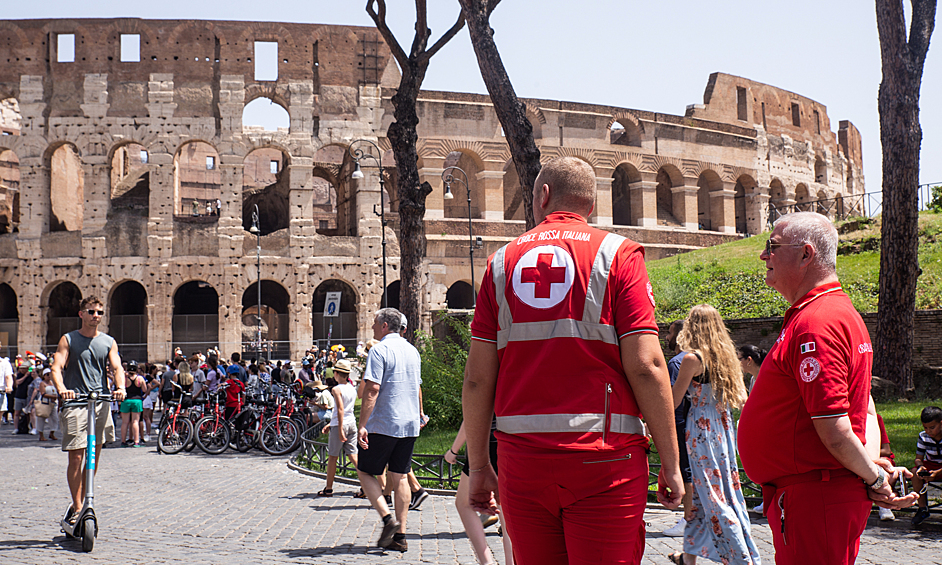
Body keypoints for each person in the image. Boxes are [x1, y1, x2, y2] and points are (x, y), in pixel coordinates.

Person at [462, 156, 683, 565]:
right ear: (592, 205)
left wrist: (479, 466)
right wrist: (671, 462)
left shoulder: (499, 264)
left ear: (542, 197)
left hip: (521, 461)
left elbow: (476, 379)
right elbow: (648, 366)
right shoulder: (618, 254)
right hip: (604, 460)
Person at [738, 212, 916, 565]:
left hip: (815, 496)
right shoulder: (831, 312)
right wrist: (871, 468)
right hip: (815, 492)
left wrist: (875, 477)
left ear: (806, 255)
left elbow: (835, 428)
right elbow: (863, 402)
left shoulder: (816, 322)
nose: (764, 255)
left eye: (772, 246)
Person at [668, 305, 761, 565]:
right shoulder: (728, 357)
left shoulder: (691, 359)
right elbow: (742, 399)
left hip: (700, 429)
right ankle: (688, 558)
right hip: (722, 427)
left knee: (713, 495)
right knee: (712, 493)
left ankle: (742, 559)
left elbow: (674, 401)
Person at [50, 296, 126, 524]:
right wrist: (62, 389)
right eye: (91, 311)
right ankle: (77, 506)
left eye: (99, 312)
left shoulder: (109, 342)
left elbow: (117, 366)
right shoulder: (68, 339)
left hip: (100, 403)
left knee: (93, 457)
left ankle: (83, 501)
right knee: (76, 457)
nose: (96, 316)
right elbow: (56, 367)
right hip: (75, 402)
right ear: (81, 314)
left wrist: (121, 387)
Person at [356, 307, 423, 553]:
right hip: (409, 423)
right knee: (400, 476)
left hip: (384, 422)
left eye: (375, 323)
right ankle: (401, 536)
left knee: (364, 472)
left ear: (385, 326)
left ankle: (387, 519)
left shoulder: (379, 350)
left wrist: (363, 424)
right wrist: (419, 414)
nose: (373, 326)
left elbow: (372, 389)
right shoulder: (413, 351)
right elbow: (417, 386)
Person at [444, 420, 514, 565]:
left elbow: (471, 417)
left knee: (464, 504)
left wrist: (453, 451)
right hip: (510, 440)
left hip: (485, 443)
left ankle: (486, 561)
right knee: (506, 513)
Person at [661, 319, 694, 538]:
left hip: (682, 424)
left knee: (687, 472)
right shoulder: (702, 359)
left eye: (670, 333)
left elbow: (672, 401)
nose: (666, 337)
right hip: (703, 425)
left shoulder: (677, 362)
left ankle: (688, 520)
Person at [318, 359, 359, 497]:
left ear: (336, 374)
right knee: (354, 456)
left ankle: (328, 488)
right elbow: (347, 410)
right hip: (352, 423)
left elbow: (340, 409)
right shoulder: (352, 389)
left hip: (340, 425)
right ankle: (367, 485)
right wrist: (331, 424)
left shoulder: (336, 389)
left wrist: (339, 427)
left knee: (333, 457)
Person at [911, 405, 942, 526]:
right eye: (926, 428)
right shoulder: (923, 437)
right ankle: (922, 508)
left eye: (932, 427)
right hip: (931, 465)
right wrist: (920, 467)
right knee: (914, 473)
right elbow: (919, 458)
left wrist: (938, 473)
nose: (929, 431)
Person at [120, 364, 146, 447]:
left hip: (126, 400)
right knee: (135, 422)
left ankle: (123, 441)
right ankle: (136, 442)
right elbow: (144, 389)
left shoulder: (124, 379)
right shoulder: (140, 378)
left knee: (124, 422)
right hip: (137, 400)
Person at [35, 368, 59, 442]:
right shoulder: (42, 383)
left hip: (53, 404)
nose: (49, 376)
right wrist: (53, 397)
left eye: (50, 374)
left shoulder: (53, 383)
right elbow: (43, 394)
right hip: (44, 402)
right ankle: (41, 435)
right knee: (41, 419)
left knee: (54, 419)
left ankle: (52, 432)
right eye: (47, 374)